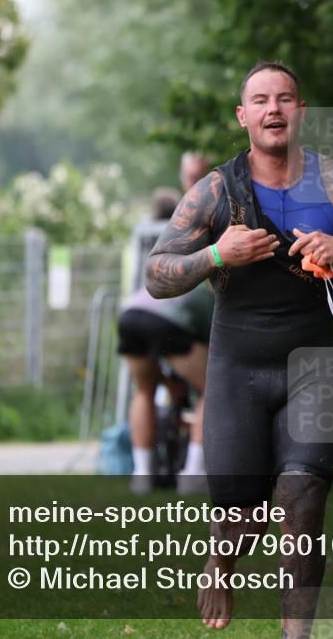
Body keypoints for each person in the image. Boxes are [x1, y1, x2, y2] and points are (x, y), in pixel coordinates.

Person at [145, 62, 333, 637]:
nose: (274, 110)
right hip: (236, 368)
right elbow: (157, 275)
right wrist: (218, 255)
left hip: (311, 369)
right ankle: (222, 560)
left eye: (285, 99)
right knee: (241, 518)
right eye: (261, 101)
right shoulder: (217, 191)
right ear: (243, 116)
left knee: (303, 499)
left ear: (301, 112)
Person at [119, 154, 213, 495]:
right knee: (213, 388)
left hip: (131, 315)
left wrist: (172, 380)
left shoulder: (155, 254)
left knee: (144, 391)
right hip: (166, 317)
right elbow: (202, 335)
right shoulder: (200, 277)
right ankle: (192, 474)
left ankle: (142, 476)